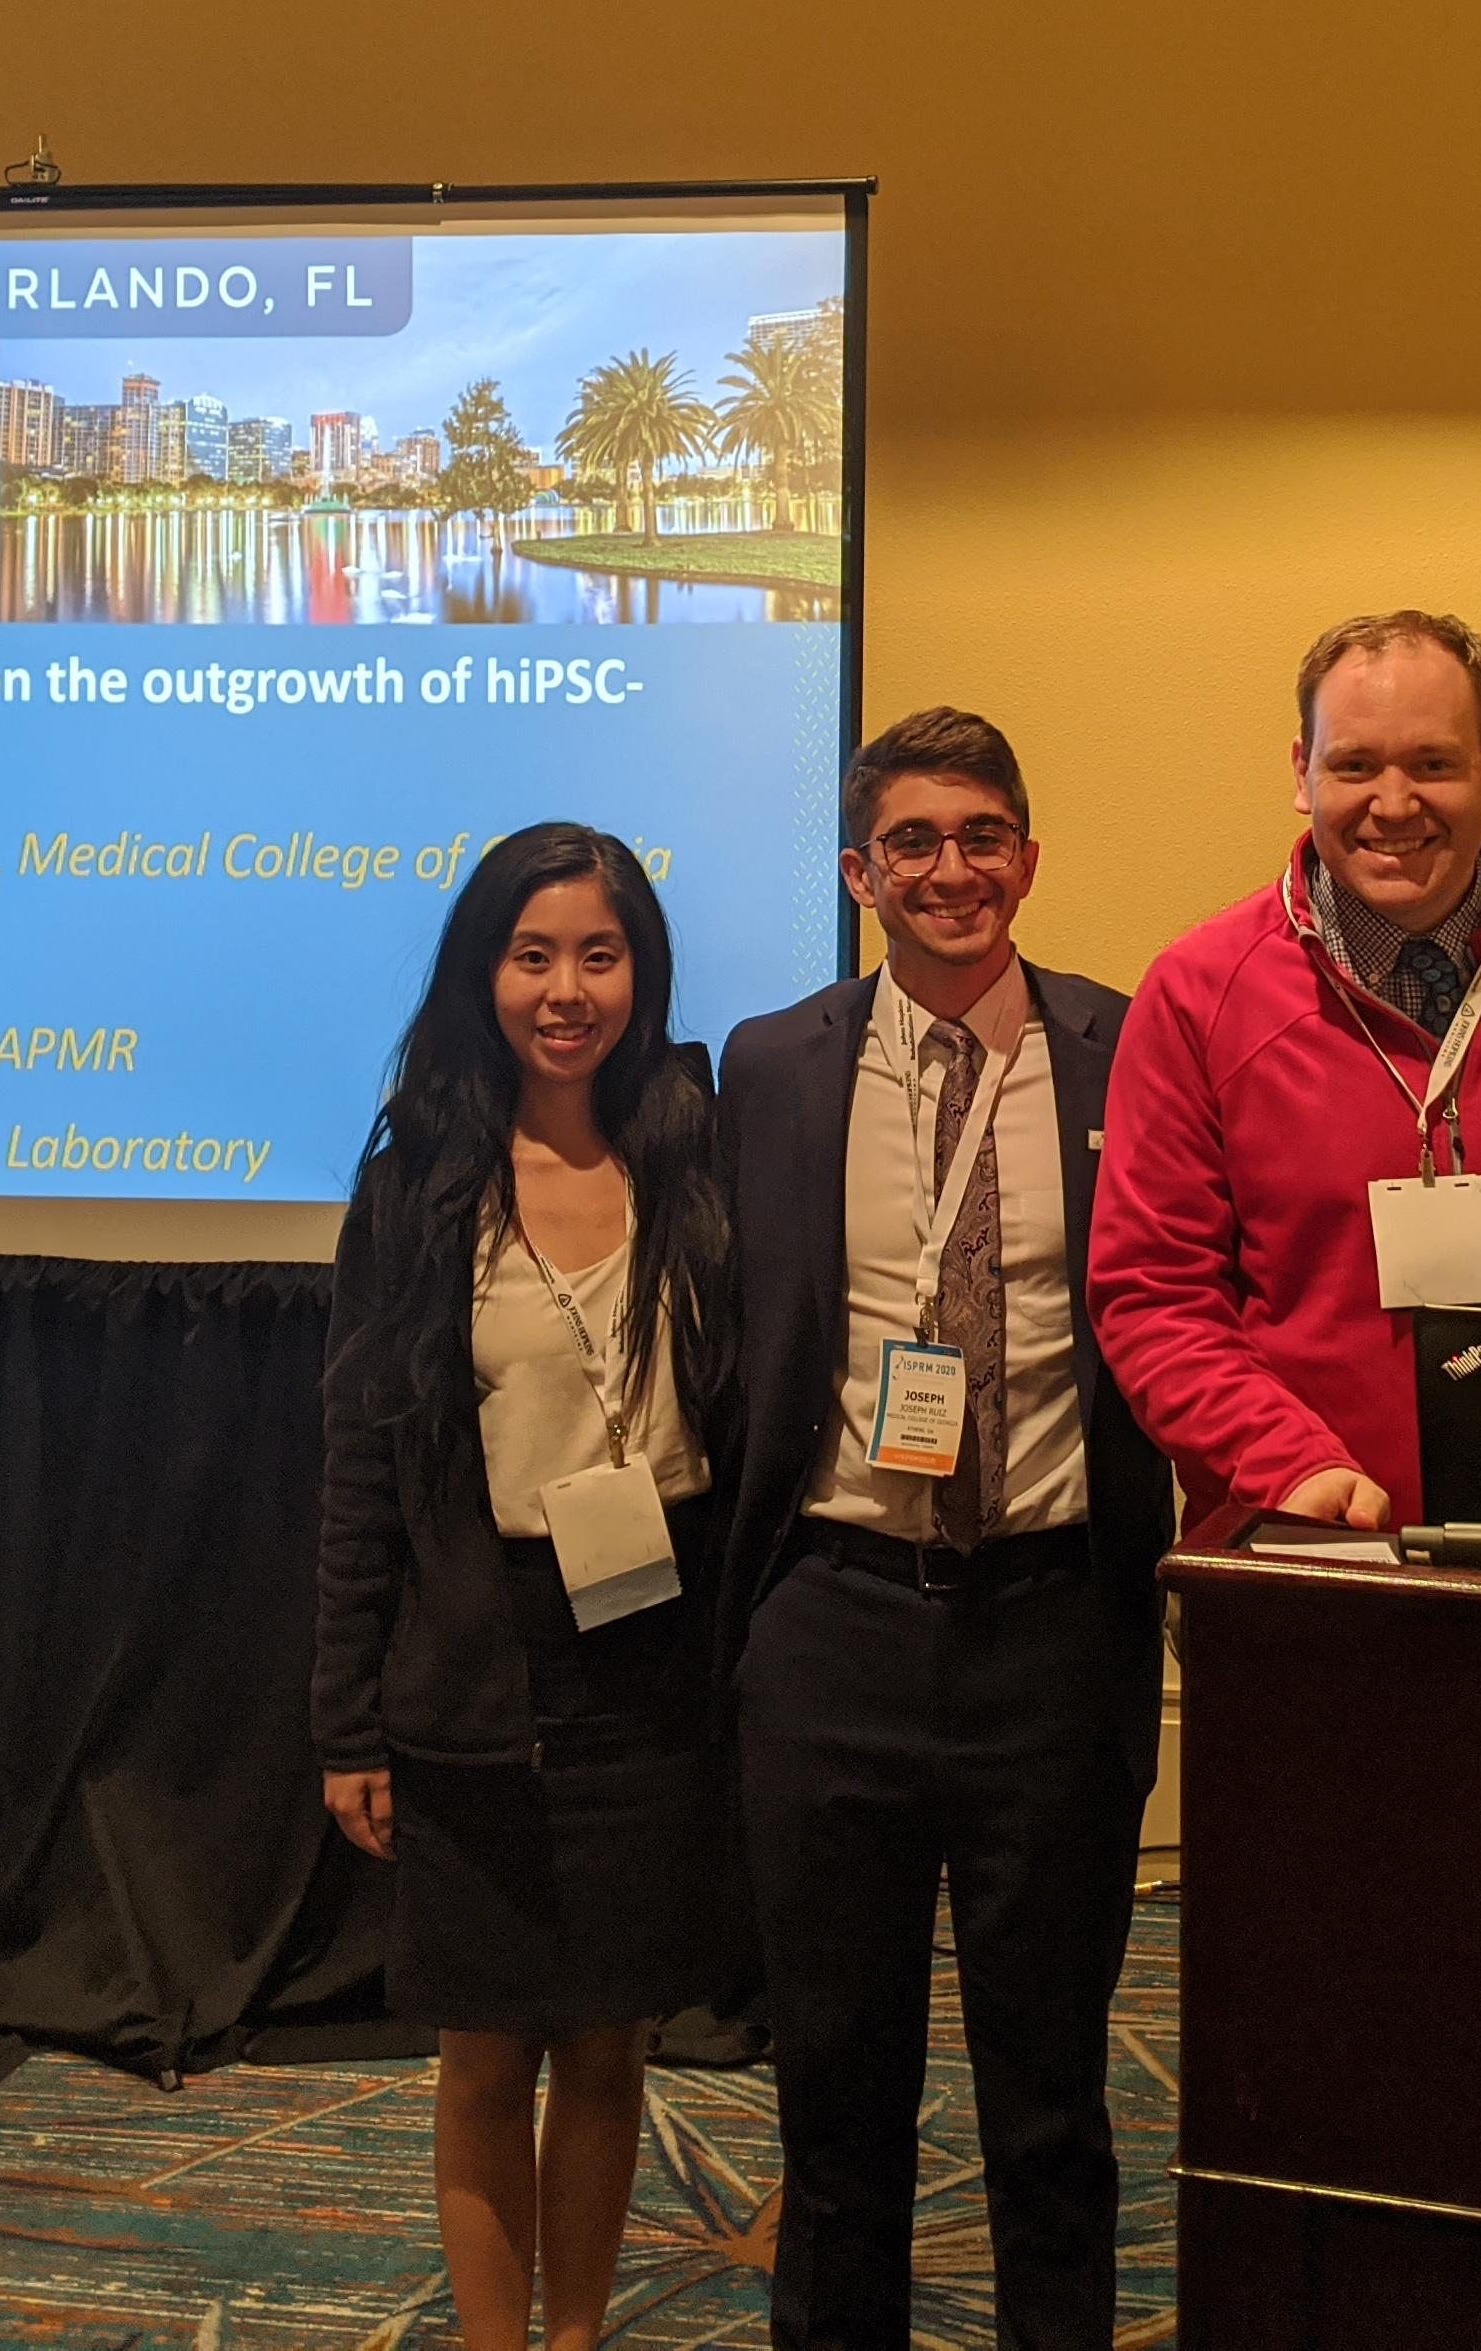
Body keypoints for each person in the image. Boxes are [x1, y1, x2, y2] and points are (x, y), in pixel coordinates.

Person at [716, 707, 1167, 2351]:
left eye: (983, 834)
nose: (951, 867)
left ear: (1028, 858)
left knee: (1049, 2101)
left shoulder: (1128, 1047)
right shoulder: (771, 1062)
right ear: (858, 872)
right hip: (831, 1621)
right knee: (838, 2100)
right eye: (913, 840)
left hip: (1053, 1623)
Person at [313, 823, 738, 2351]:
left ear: (644, 971)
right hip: (481, 1662)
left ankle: (577, 2340)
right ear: (482, 971)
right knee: (487, 2058)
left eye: (600, 955)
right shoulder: (419, 1184)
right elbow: (363, 1466)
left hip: (654, 1664)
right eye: (533, 953)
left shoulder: (696, 1147)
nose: (568, 990)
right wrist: (346, 1721)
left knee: (614, 2045)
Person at [1090, 611, 1481, 1536]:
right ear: (1301, 772)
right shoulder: (1197, 993)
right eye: (1354, 765)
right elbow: (1154, 1293)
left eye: (1432, 764)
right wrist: (1282, 1459)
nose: (1393, 803)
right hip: (1309, 1544)